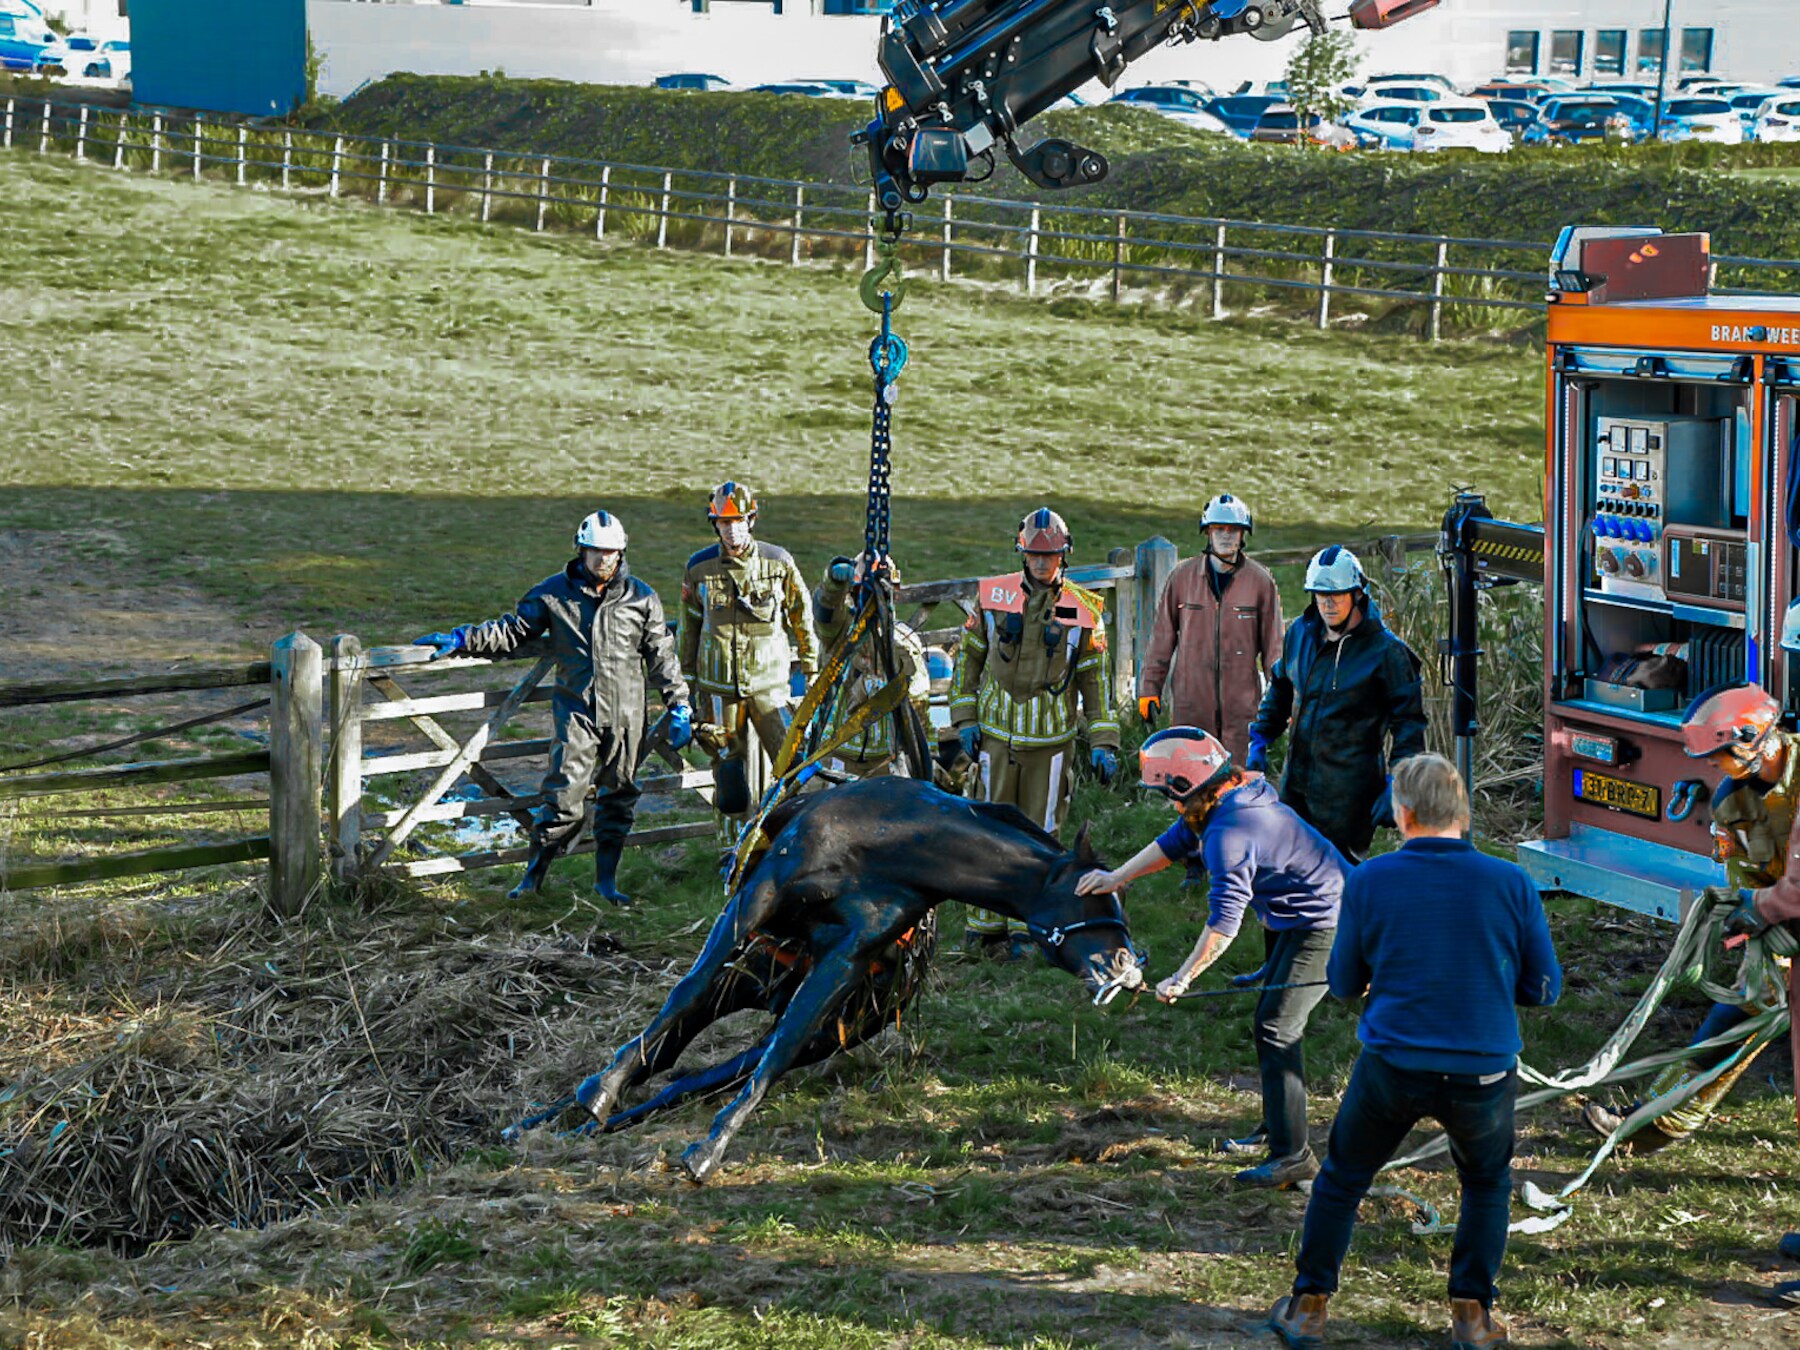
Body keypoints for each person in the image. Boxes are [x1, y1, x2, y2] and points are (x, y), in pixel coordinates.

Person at [1267, 752, 1560, 1350]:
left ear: (1402, 815)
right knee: (1485, 1185)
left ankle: (1309, 1305)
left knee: (1343, 1179)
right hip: (1482, 1072)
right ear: (1464, 811)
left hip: (1394, 1065)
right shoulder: (1512, 882)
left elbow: (1344, 983)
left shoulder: (1371, 879)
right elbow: (1544, 989)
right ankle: (1473, 1317)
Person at [1075, 726, 1346, 1187]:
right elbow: (1174, 842)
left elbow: (1224, 924)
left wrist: (1182, 977)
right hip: (1295, 916)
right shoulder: (1228, 794)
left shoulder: (1231, 832)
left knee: (1277, 1027)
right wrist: (1117, 876)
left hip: (1329, 923)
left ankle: (1294, 1157)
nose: (1170, 805)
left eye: (1168, 794)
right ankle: (1279, 1127)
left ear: (1186, 788)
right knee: (1271, 1021)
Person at [412, 509, 692, 905]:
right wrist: (462, 638)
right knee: (563, 798)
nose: (603, 560)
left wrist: (678, 704)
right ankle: (532, 880)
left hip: (628, 715)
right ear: (580, 549)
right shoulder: (553, 593)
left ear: (622, 552)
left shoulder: (641, 597)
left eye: (611, 552)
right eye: (595, 551)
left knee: (619, 796)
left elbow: (661, 654)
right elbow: (512, 631)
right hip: (577, 712)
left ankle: (606, 884)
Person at [1581, 684, 1796, 1155]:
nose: (1712, 767)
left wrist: (1761, 911)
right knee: (1747, 1004)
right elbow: (1755, 878)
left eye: (1719, 756)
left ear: (1751, 740)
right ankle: (1656, 1122)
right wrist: (1748, 915)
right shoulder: (1734, 804)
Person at [950, 507, 1120, 959]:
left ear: (1065, 555)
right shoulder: (993, 595)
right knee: (987, 830)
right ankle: (983, 932)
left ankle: (1034, 929)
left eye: (1051, 556)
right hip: (994, 742)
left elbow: (1094, 681)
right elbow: (967, 660)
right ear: (1021, 552)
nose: (1042, 564)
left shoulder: (1085, 610)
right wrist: (965, 721)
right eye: (1034, 555)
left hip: (1052, 747)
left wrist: (1104, 742)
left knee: (1043, 837)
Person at [1248, 545, 1427, 863]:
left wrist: (1400, 781)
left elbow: (1409, 725)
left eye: (1337, 595)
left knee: (1337, 878)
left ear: (1357, 594)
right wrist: (1260, 738)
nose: (1328, 604)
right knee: (1289, 869)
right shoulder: (1300, 635)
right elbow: (1280, 687)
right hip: (1297, 783)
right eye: (1320, 595)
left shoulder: (1387, 654)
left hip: (1348, 794)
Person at [677, 481, 818, 817]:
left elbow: (803, 616)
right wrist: (685, 688)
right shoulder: (699, 568)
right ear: (715, 525)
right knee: (729, 779)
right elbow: (689, 629)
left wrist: (811, 668)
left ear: (752, 520)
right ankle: (732, 852)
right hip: (718, 688)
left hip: (769, 685)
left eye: (739, 520)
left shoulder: (778, 562)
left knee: (794, 767)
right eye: (725, 522)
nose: (732, 530)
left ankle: (792, 839)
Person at [1137, 492, 1283, 761]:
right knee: (1190, 787)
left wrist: (1282, 701)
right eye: (1219, 529)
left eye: (1233, 530)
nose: (1226, 536)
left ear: (1243, 535)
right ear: (1207, 533)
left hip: (1241, 712)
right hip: (1191, 708)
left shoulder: (1260, 582)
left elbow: (1275, 650)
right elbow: (1162, 639)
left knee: (1237, 788)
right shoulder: (1182, 578)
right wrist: (1149, 689)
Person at [809, 551, 932, 779]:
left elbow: (918, 705)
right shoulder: (838, 634)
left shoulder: (903, 642)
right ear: (852, 593)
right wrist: (833, 582)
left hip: (884, 761)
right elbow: (824, 612)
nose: (872, 600)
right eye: (862, 592)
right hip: (836, 755)